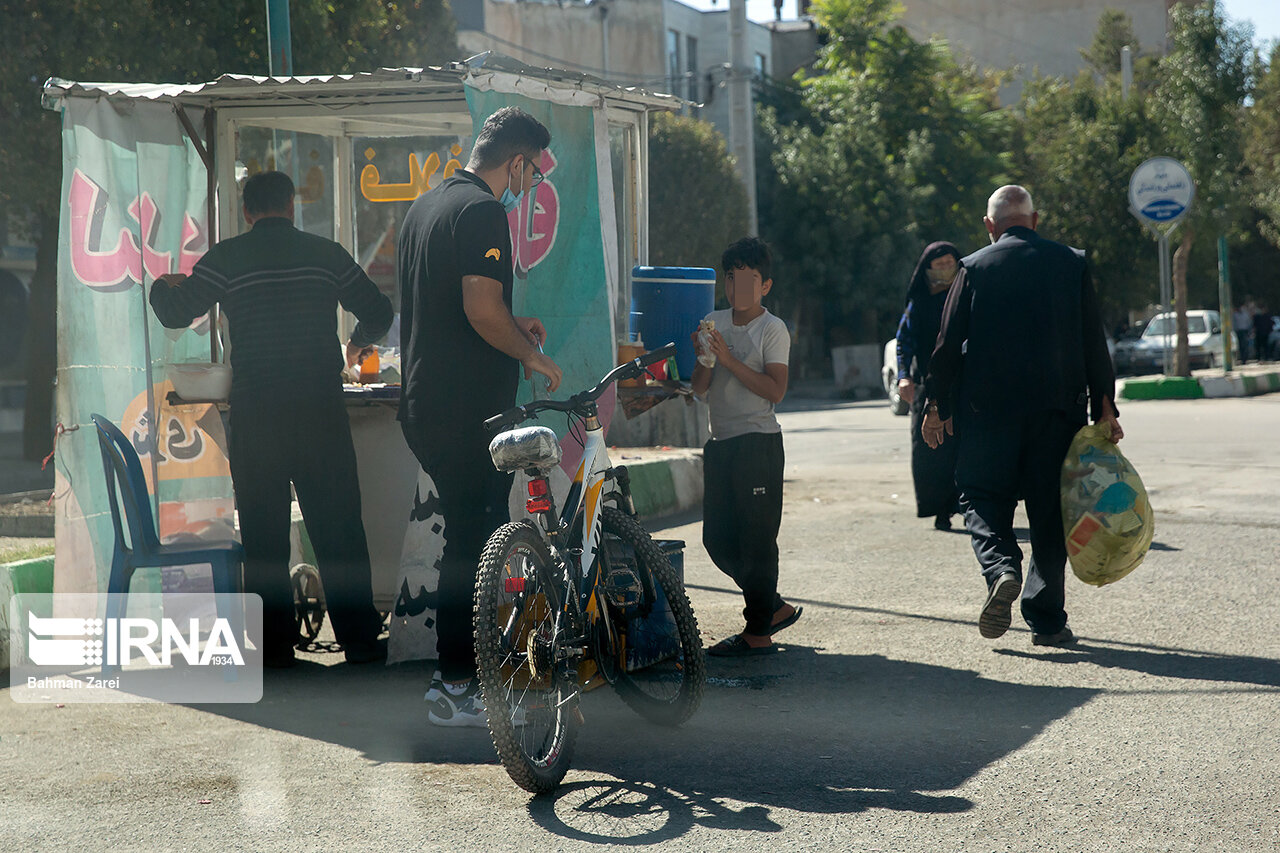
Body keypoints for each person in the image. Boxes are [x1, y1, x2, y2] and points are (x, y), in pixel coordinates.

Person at [150, 170, 393, 668]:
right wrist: (356, 343)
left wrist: (161, 284)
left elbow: (177, 312)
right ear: (291, 206)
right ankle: (361, 643)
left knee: (263, 535)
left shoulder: (227, 259)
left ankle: (276, 654)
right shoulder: (325, 253)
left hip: (258, 413)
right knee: (339, 528)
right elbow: (379, 310)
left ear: (246, 212)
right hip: (319, 409)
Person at [397, 107, 562, 726]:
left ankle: (460, 680)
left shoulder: (427, 205)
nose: (530, 185)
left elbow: (450, 306)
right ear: (514, 160)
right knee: (474, 544)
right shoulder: (483, 210)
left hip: (429, 403)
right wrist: (533, 356)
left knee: (471, 537)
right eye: (532, 172)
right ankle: (457, 687)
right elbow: (479, 307)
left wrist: (515, 327)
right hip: (465, 410)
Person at [921, 185, 1123, 648]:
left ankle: (1001, 567)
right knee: (1049, 514)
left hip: (988, 415)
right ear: (1034, 221)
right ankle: (1047, 619)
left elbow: (947, 344)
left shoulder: (973, 267)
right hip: (1059, 412)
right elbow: (1094, 340)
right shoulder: (1072, 263)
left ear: (990, 227)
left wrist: (938, 405)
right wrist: (1104, 408)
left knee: (978, 496)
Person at [691, 236, 799, 657]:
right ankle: (769, 605)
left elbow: (776, 390)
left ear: (765, 286)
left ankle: (758, 633)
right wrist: (705, 358)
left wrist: (730, 359)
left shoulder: (772, 329)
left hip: (759, 443)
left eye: (748, 279)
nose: (738, 289)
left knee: (757, 540)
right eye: (731, 279)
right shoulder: (713, 321)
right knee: (717, 540)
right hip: (721, 443)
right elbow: (700, 389)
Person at [895, 242, 964, 530]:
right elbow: (903, 342)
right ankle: (939, 509)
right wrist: (903, 376)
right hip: (927, 384)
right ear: (927, 270)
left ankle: (970, 505)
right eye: (940, 265)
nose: (946, 269)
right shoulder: (919, 304)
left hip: (964, 384)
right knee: (929, 450)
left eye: (951, 263)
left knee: (965, 446)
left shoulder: (966, 297)